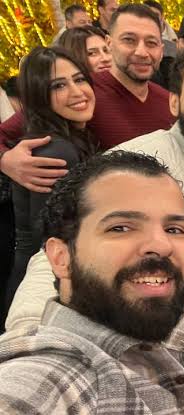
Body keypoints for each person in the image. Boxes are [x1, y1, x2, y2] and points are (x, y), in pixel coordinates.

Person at [7, 44, 184, 408]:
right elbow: (56, 257)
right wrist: (32, 342)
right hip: (134, 360)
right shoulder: (136, 164)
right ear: (174, 102)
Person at [0, 151, 184, 414]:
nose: (162, 246)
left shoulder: (173, 346)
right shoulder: (46, 381)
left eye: (174, 229)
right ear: (61, 257)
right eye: (120, 228)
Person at [0, 4, 173, 195]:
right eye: (129, 40)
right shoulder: (81, 95)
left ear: (161, 49)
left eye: (151, 43)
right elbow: (7, 132)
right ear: (109, 43)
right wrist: (5, 160)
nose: (141, 52)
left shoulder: (168, 101)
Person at [3, 46, 97, 322]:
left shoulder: (69, 137)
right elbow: (49, 237)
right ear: (39, 96)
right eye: (59, 86)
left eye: (79, 79)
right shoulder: (56, 150)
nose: (77, 92)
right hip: (43, 289)